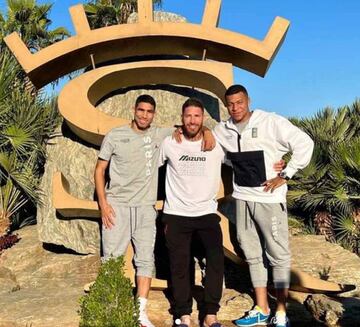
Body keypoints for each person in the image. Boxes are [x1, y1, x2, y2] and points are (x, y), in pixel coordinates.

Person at [94, 94, 215, 327]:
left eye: (149, 112)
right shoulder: (116, 135)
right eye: (141, 110)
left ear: (154, 114)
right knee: (111, 258)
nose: (144, 115)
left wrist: (208, 131)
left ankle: (140, 312)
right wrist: (103, 204)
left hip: (146, 209)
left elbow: (193, 124)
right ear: (134, 110)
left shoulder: (159, 133)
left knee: (145, 260)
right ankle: (110, 308)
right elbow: (100, 169)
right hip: (117, 206)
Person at [213, 85, 314, 327]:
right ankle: (261, 307)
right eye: (231, 104)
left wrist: (286, 173)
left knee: (278, 257)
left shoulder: (271, 122)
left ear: (248, 100)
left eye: (240, 102)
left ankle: (281, 313)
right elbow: (220, 152)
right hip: (242, 199)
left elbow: (305, 143)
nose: (235, 108)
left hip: (270, 200)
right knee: (252, 255)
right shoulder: (222, 129)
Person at [159, 98, 225, 327]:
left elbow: (245, 154)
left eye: (197, 116)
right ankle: (183, 314)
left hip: (206, 213)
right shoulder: (170, 143)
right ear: (181, 118)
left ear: (203, 118)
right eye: (188, 116)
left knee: (216, 261)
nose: (192, 120)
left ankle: (210, 315)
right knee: (180, 265)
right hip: (176, 214)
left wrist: (279, 167)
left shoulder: (216, 143)